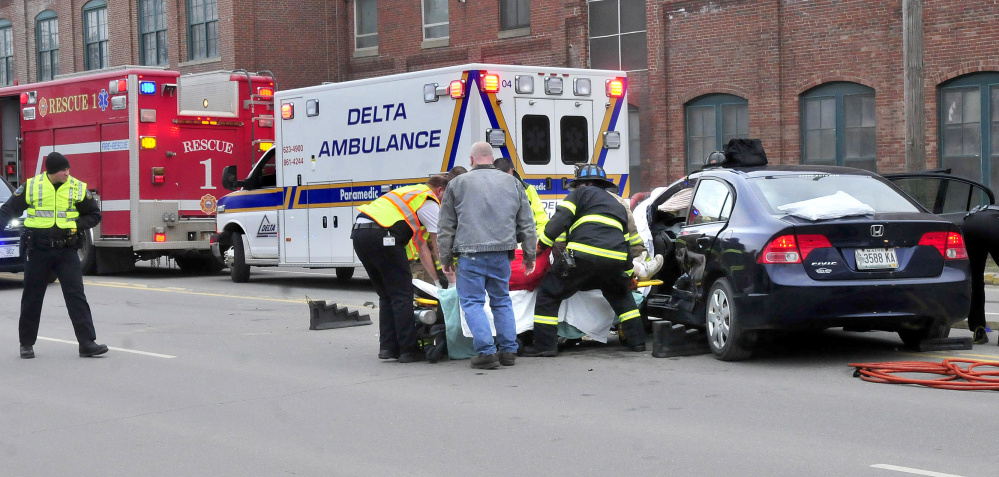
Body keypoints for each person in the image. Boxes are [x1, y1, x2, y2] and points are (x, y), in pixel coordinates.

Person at [520, 164, 647, 357]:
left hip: (583, 256)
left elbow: (560, 221)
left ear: (585, 184)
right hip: (615, 260)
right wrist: (628, 275)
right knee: (620, 295)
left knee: (548, 292)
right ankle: (637, 341)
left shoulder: (579, 195)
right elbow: (626, 243)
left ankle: (545, 345)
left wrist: (540, 246)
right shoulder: (618, 205)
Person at [438, 142, 537, 369]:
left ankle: (486, 353)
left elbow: (446, 226)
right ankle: (508, 351)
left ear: (471, 160)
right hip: (502, 253)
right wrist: (530, 254)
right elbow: (527, 224)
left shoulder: (457, 184)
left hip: (469, 253)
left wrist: (445, 259)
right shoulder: (513, 183)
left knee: (472, 302)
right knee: (501, 300)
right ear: (491, 159)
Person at [0, 152, 107, 359]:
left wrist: (76, 225)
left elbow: (94, 215)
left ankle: (87, 343)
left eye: (68, 169)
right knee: (32, 297)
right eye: (62, 170)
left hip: (66, 250)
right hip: (37, 249)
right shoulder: (32, 186)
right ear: (50, 172)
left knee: (76, 295)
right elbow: (7, 211)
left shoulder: (77, 187)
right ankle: (26, 344)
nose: (67, 173)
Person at [352, 175, 448, 362]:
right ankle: (408, 350)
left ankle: (388, 348)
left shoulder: (410, 195)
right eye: (447, 198)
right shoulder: (428, 200)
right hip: (383, 236)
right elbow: (438, 241)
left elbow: (422, 248)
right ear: (440, 191)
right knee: (402, 294)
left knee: (387, 294)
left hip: (360, 234)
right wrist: (448, 269)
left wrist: (436, 280)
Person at [960, 206, 999, 345]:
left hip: (969, 226)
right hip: (992, 229)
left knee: (975, 279)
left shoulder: (986, 210)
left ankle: (979, 330)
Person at [493, 157, 548, 236]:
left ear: (512, 170)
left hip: (525, 240)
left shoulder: (528, 189)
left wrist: (536, 240)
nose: (504, 181)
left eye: (507, 177)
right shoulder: (489, 192)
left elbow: (541, 219)